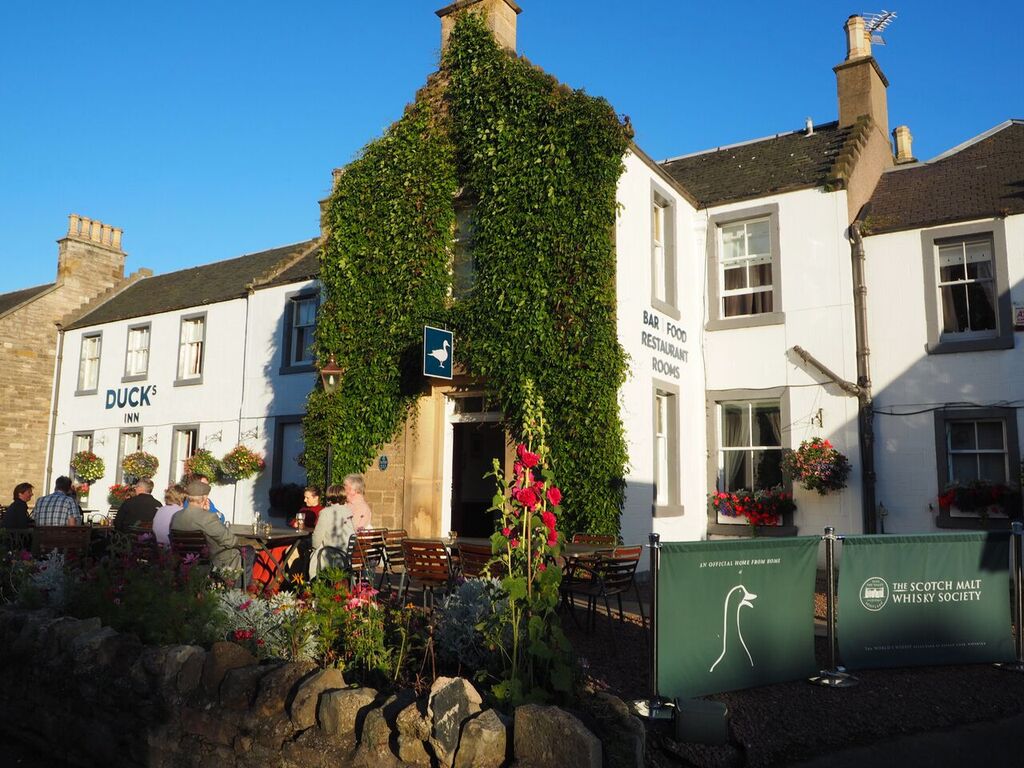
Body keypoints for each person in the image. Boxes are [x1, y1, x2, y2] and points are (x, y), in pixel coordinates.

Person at [170, 480, 241, 570]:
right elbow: (230, 541)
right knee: (243, 552)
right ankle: (237, 579)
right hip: (210, 560)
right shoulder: (208, 518)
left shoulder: (176, 516)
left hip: (184, 559)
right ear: (205, 498)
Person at [309, 484, 356, 579]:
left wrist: (313, 548)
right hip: (346, 555)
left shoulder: (326, 512)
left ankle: (310, 583)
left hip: (331, 555)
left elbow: (317, 538)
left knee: (307, 552)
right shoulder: (348, 512)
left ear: (330, 496)